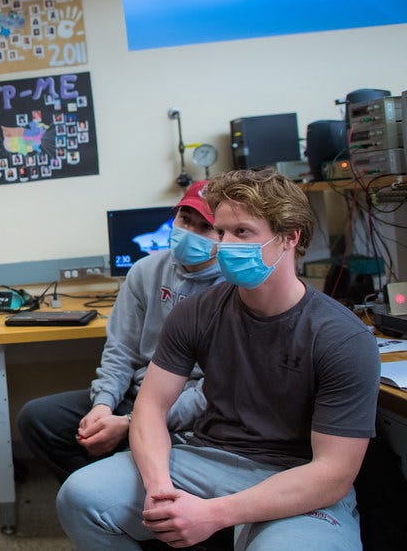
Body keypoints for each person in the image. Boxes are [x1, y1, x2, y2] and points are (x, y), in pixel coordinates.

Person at [58, 169, 381, 550]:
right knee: (79, 498)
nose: (224, 245)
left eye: (241, 233)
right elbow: (150, 409)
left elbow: (332, 474)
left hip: (295, 475)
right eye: (223, 232)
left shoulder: (343, 338)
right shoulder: (196, 313)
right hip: (206, 457)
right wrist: (160, 489)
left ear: (290, 237)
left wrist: (214, 514)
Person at [17, 181, 223, 481]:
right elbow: (121, 351)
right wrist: (103, 406)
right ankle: (99, 491)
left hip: (190, 412)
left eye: (205, 226)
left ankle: (116, 488)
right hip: (135, 396)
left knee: (146, 454)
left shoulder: (233, 291)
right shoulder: (146, 271)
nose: (189, 232)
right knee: (38, 419)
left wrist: (131, 423)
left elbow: (213, 392)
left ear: (226, 234)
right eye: (184, 219)